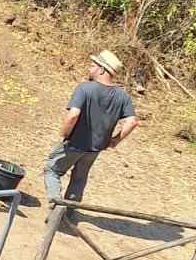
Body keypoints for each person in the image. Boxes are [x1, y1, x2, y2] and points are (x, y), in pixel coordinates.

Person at [43, 49, 138, 203]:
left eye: (92, 66)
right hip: (95, 148)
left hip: (74, 143)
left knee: (52, 170)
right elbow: (132, 121)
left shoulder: (85, 88)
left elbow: (73, 114)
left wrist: (63, 134)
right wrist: (116, 140)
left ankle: (56, 206)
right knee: (79, 179)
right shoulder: (122, 96)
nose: (89, 68)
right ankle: (70, 212)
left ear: (101, 69)